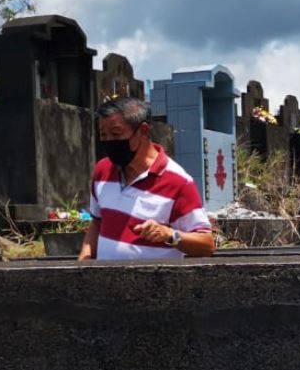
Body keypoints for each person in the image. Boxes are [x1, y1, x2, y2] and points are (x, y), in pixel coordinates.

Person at [80, 97, 215, 261]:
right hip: (104, 282)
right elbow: (97, 223)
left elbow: (206, 244)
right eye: (103, 135)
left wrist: (170, 235)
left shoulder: (178, 182)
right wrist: (84, 262)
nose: (109, 142)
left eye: (116, 134)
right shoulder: (103, 171)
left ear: (143, 131)